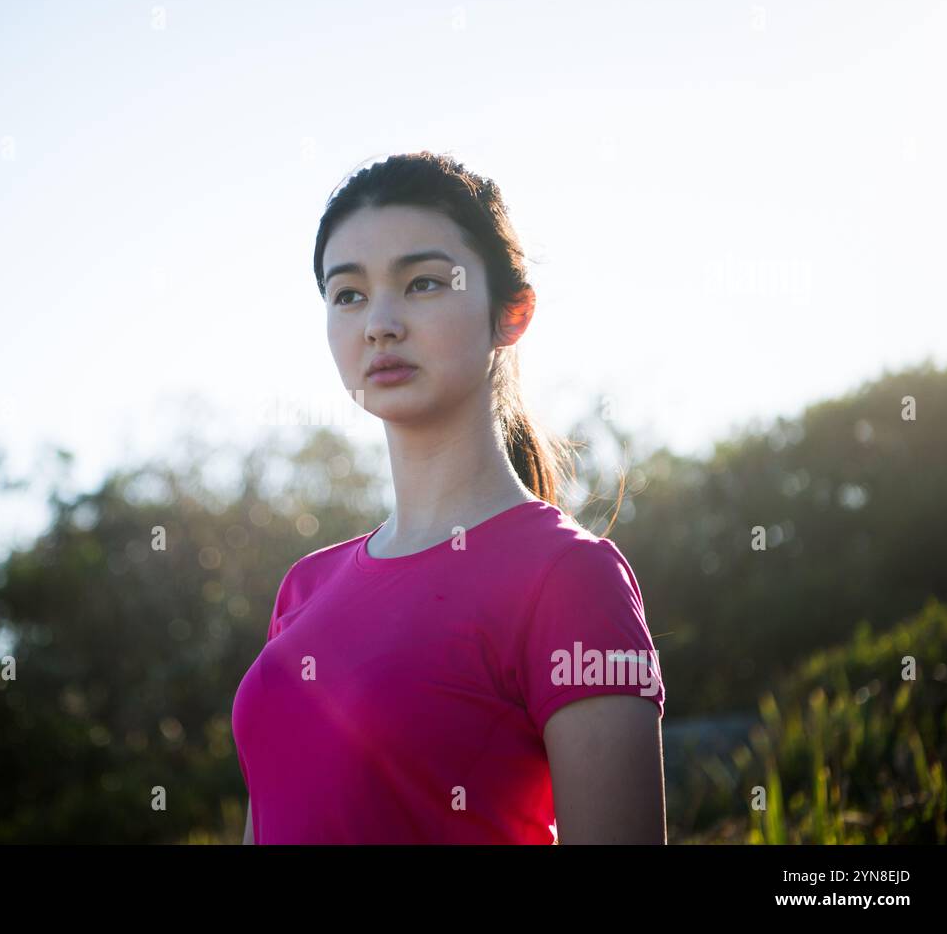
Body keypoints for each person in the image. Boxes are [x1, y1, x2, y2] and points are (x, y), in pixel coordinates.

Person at [232, 151, 666, 844]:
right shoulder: (302, 589)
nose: (378, 322)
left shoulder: (570, 577)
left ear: (511, 314)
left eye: (423, 283)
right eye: (347, 293)